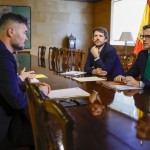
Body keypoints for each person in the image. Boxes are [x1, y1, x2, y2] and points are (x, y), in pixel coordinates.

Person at [0, 12, 50, 149]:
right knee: (42, 128)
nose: (26, 38)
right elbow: (17, 101)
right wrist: (40, 91)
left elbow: (5, 83)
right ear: (11, 31)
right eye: (24, 33)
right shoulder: (4, 57)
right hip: (3, 130)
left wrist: (20, 78)